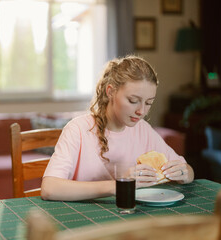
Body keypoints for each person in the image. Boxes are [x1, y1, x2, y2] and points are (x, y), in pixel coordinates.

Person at [41, 55, 194, 201]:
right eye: (133, 100)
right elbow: (49, 188)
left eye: (148, 103)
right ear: (110, 91)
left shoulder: (143, 130)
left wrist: (185, 173)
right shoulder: (78, 129)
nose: (141, 111)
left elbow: (187, 169)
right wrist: (119, 185)